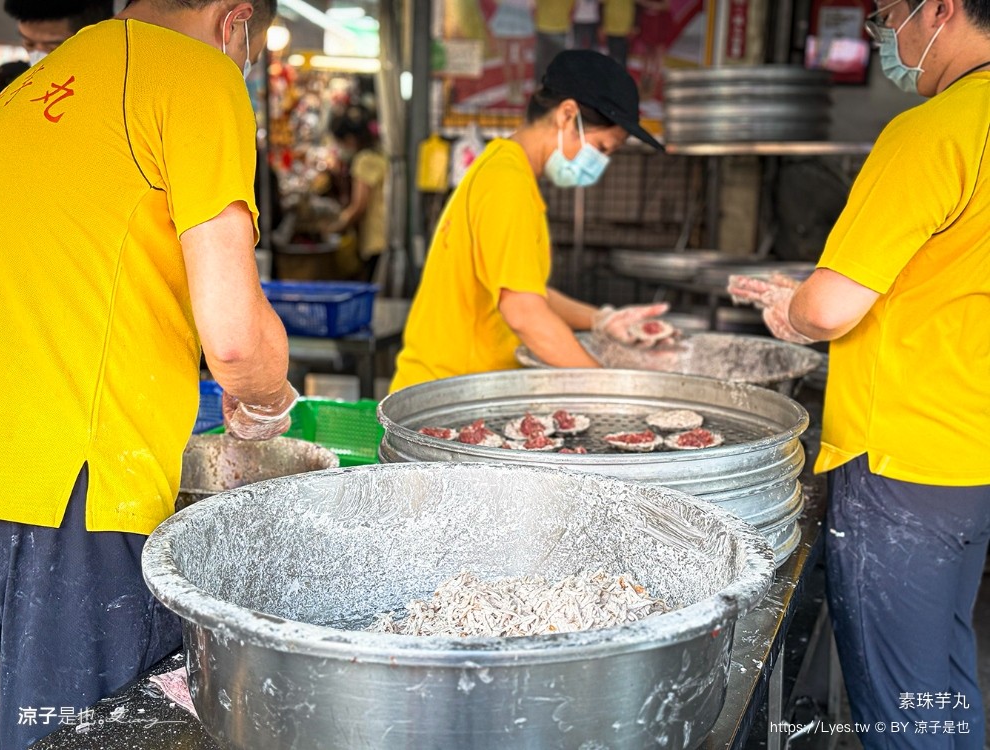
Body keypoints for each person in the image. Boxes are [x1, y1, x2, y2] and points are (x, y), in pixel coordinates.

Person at [0, 1, 298, 747]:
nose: (243, 64)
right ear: (234, 20)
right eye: (249, 50)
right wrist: (266, 400)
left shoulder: (27, 90)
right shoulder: (195, 75)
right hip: (79, 497)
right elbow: (234, 338)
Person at [728, 1, 990, 746]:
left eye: (887, 15)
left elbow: (830, 307)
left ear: (939, 9)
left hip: (900, 464)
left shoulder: (932, 131)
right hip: (970, 456)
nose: (884, 36)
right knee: (943, 672)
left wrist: (795, 307)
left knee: (898, 701)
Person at [391, 50, 666, 392]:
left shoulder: (505, 169)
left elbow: (524, 290)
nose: (601, 162)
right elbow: (523, 312)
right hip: (445, 396)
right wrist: (612, 389)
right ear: (567, 115)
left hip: (454, 389)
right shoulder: (508, 183)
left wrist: (600, 319)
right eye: (602, 148)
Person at [324, 104, 389, 282]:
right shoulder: (379, 154)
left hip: (375, 238)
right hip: (385, 233)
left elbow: (359, 205)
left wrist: (337, 226)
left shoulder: (363, 160)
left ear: (350, 138)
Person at [4, 0, 114, 65]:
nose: (38, 59)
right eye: (29, 44)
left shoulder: (117, 88)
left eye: (53, 47)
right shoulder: (6, 83)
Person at [635, 0, 673, 100]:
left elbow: (665, 6)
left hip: (659, 22)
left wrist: (650, 5)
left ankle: (657, 80)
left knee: (658, 50)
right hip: (648, 21)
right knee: (647, 51)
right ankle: (646, 80)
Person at [534, 0, 576, 83]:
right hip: (557, 28)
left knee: (543, 60)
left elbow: (534, 8)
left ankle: (542, 83)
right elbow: (572, 10)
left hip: (545, 27)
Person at [601, 0, 636, 68]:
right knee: (612, 54)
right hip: (610, 28)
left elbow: (635, 8)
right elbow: (602, 6)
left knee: (622, 56)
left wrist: (634, 25)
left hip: (625, 29)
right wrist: (602, 26)